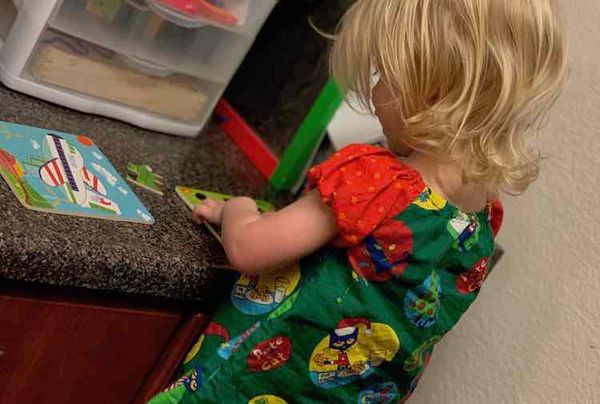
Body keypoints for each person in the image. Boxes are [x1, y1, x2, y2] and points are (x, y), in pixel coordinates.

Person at [150, 0, 567, 402]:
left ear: (428, 85)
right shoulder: (481, 223)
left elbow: (248, 248)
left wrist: (237, 208)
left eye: (384, 72)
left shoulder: (377, 179)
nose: (375, 86)